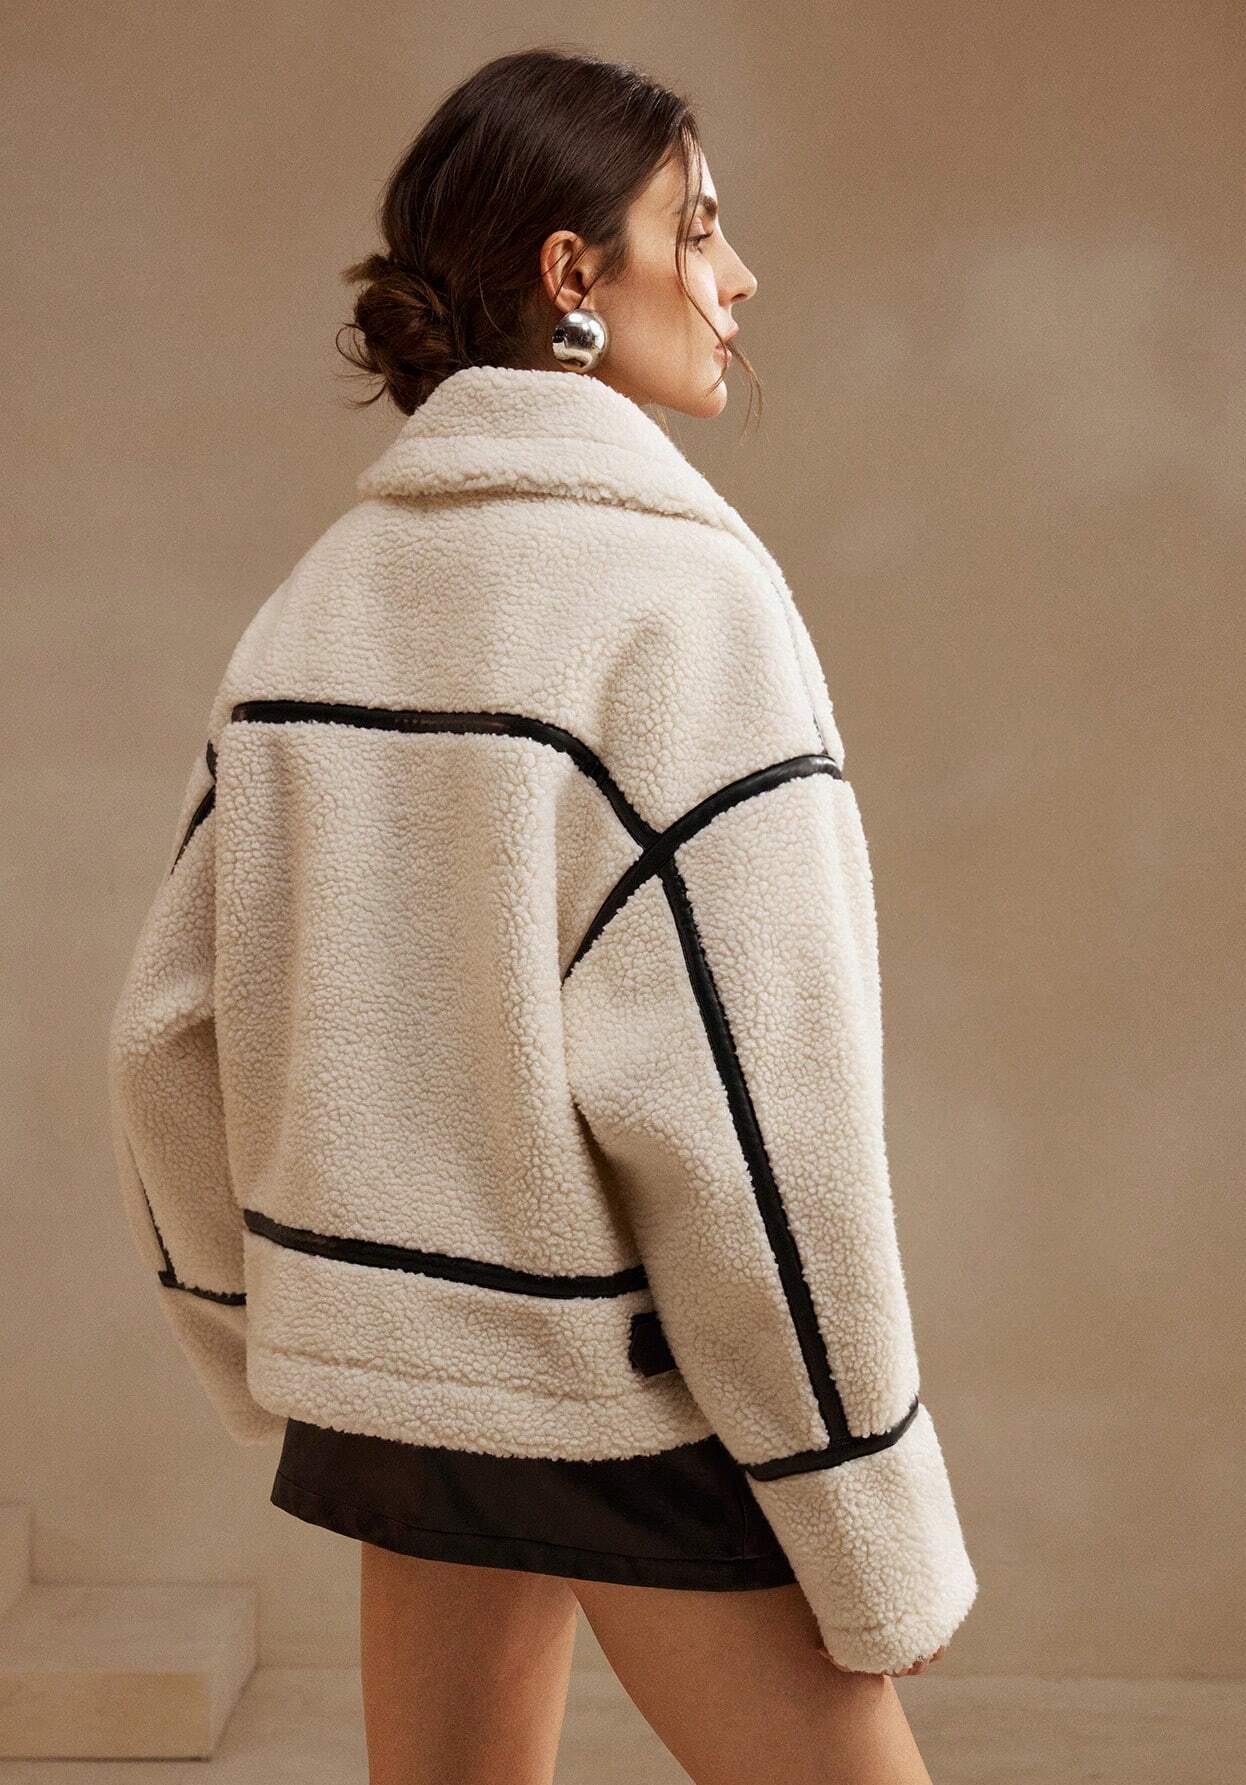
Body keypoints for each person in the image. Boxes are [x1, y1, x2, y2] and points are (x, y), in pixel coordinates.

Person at [106, 47, 977, 1785]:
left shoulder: (318, 603)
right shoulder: (685, 602)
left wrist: (277, 1326)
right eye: (699, 229)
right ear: (573, 272)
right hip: (603, 1382)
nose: (741, 279)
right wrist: (865, 1499)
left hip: (394, 1384)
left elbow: (167, 1035)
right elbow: (762, 1119)